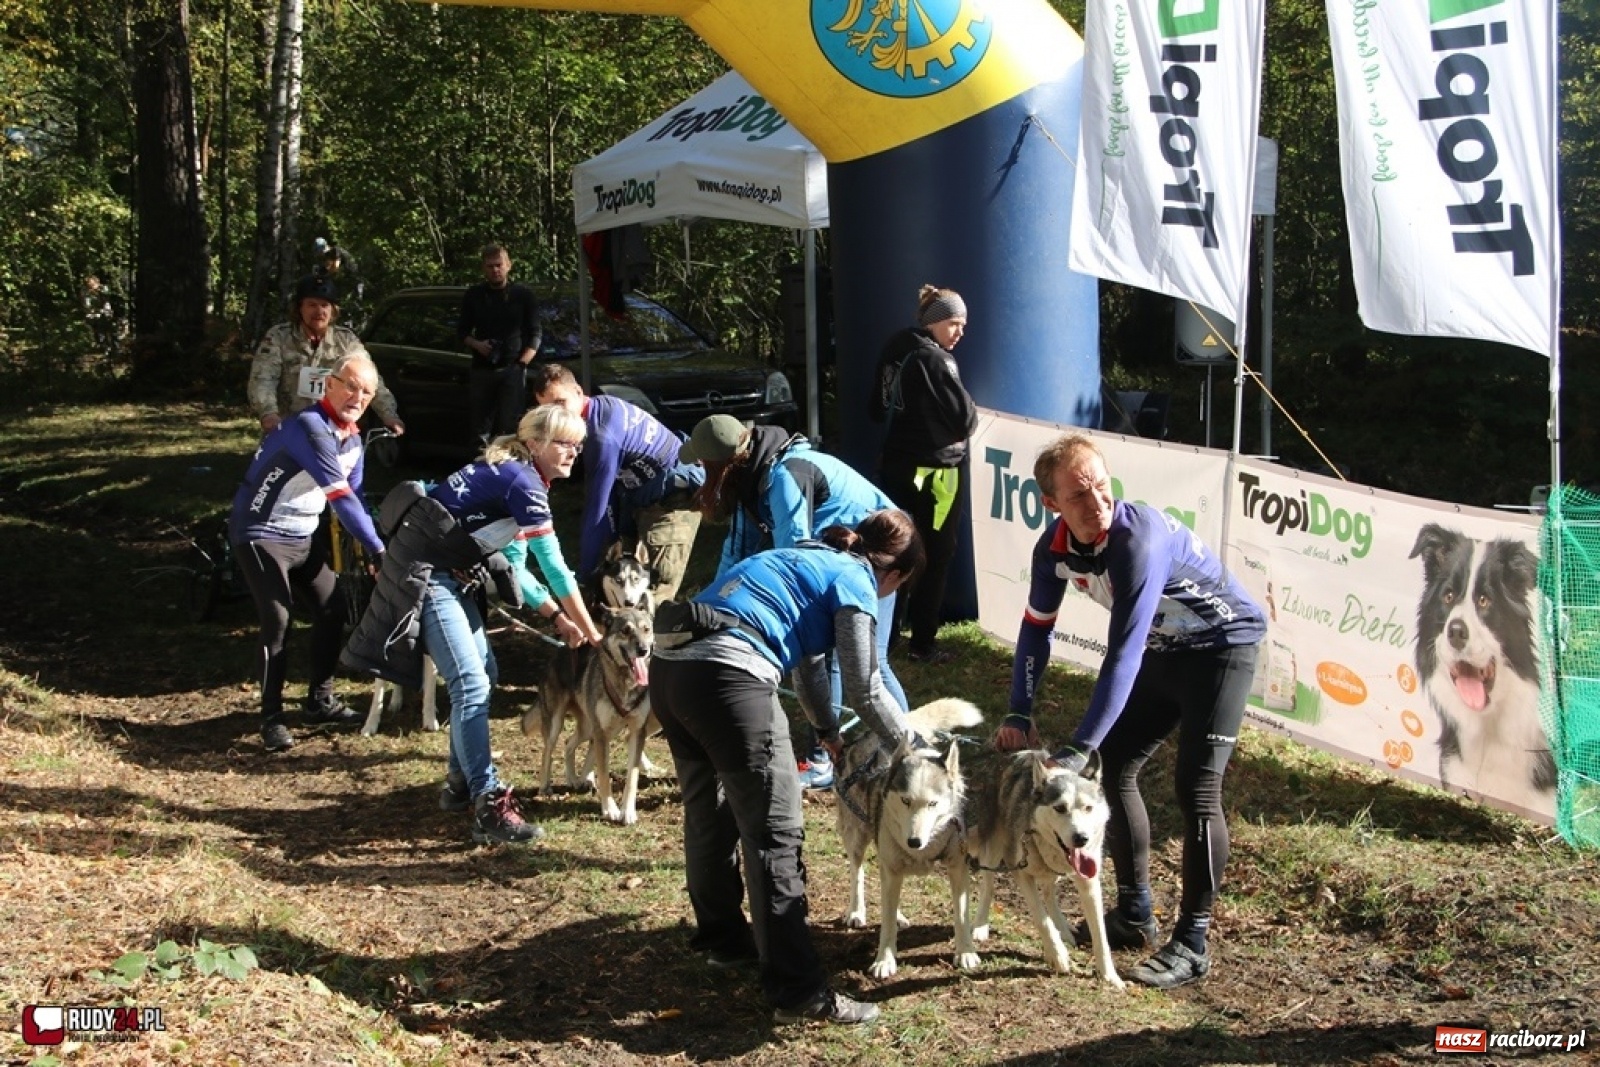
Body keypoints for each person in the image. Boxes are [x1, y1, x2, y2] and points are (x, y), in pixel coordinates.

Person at [997, 433, 1266, 990]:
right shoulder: (1053, 549)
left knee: (1196, 788)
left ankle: (1192, 941)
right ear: (1052, 505)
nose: (1096, 501)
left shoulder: (1134, 539)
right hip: (1171, 649)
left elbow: (1123, 653)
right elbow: (1034, 630)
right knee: (1116, 764)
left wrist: (1075, 749)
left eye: (1100, 484)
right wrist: (1019, 710)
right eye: (1077, 495)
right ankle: (1134, 912)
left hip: (1223, 647)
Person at [648, 510, 925, 1026]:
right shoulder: (858, 581)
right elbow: (865, 686)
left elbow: (808, 665)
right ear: (895, 576)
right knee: (775, 833)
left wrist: (825, 731)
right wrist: (912, 746)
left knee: (708, 813)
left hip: (671, 671)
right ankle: (799, 992)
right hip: (731, 678)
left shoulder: (803, 557)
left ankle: (725, 942)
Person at [346, 404, 602, 844]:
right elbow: (555, 570)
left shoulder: (515, 472)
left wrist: (559, 618)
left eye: (578, 445)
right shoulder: (523, 481)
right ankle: (488, 804)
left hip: (448, 570)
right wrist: (593, 635)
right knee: (471, 685)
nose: (573, 453)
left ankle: (458, 783)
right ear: (536, 443)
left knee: (485, 674)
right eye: (564, 443)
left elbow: (513, 562)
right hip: (427, 575)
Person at [683, 413, 910, 790]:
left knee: (858, 663)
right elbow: (737, 550)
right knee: (836, 658)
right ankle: (855, 750)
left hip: (883, 561)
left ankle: (893, 755)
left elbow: (795, 560)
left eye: (703, 464)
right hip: (840, 564)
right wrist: (708, 608)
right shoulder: (752, 473)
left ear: (720, 463)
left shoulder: (784, 475)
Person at [230, 354, 389, 753]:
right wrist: (378, 548)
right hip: (260, 532)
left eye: (366, 392)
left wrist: (374, 547)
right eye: (350, 386)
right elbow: (339, 497)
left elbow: (354, 498)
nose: (357, 397)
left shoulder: (352, 438)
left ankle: (319, 701)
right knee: (278, 619)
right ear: (328, 385)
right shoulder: (310, 426)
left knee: (332, 608)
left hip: (302, 534)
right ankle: (271, 718)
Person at [531, 363, 705, 602]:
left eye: (560, 403)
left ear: (579, 393)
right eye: (547, 410)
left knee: (652, 595)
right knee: (624, 585)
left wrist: (583, 580)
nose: (556, 416)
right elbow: (609, 492)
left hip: (672, 499)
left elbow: (597, 507)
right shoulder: (593, 414)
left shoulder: (602, 435)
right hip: (636, 494)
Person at [868, 283, 978, 664]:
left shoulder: (896, 347)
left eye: (963, 324)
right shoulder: (937, 360)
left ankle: (885, 634)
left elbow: (877, 407)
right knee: (937, 552)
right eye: (954, 323)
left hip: (897, 465)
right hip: (937, 472)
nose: (960, 332)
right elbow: (965, 419)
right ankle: (923, 643)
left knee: (893, 546)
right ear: (934, 323)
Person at [249, 275, 405, 438]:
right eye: (312, 305)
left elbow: (370, 380)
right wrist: (268, 413)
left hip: (333, 432)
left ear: (333, 310)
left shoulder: (346, 341)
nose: (319, 311)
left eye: (325, 305)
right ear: (299, 308)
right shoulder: (278, 337)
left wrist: (389, 415)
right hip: (286, 429)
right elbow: (263, 378)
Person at [458, 243, 541, 444]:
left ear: (508, 265)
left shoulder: (523, 295)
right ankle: (481, 469)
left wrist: (521, 365)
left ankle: (507, 470)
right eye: (490, 266)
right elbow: (462, 332)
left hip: (513, 369)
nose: (495, 270)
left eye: (498, 265)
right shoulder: (474, 295)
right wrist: (478, 345)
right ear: (483, 269)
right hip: (482, 370)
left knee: (511, 428)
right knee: (480, 429)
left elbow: (536, 334)